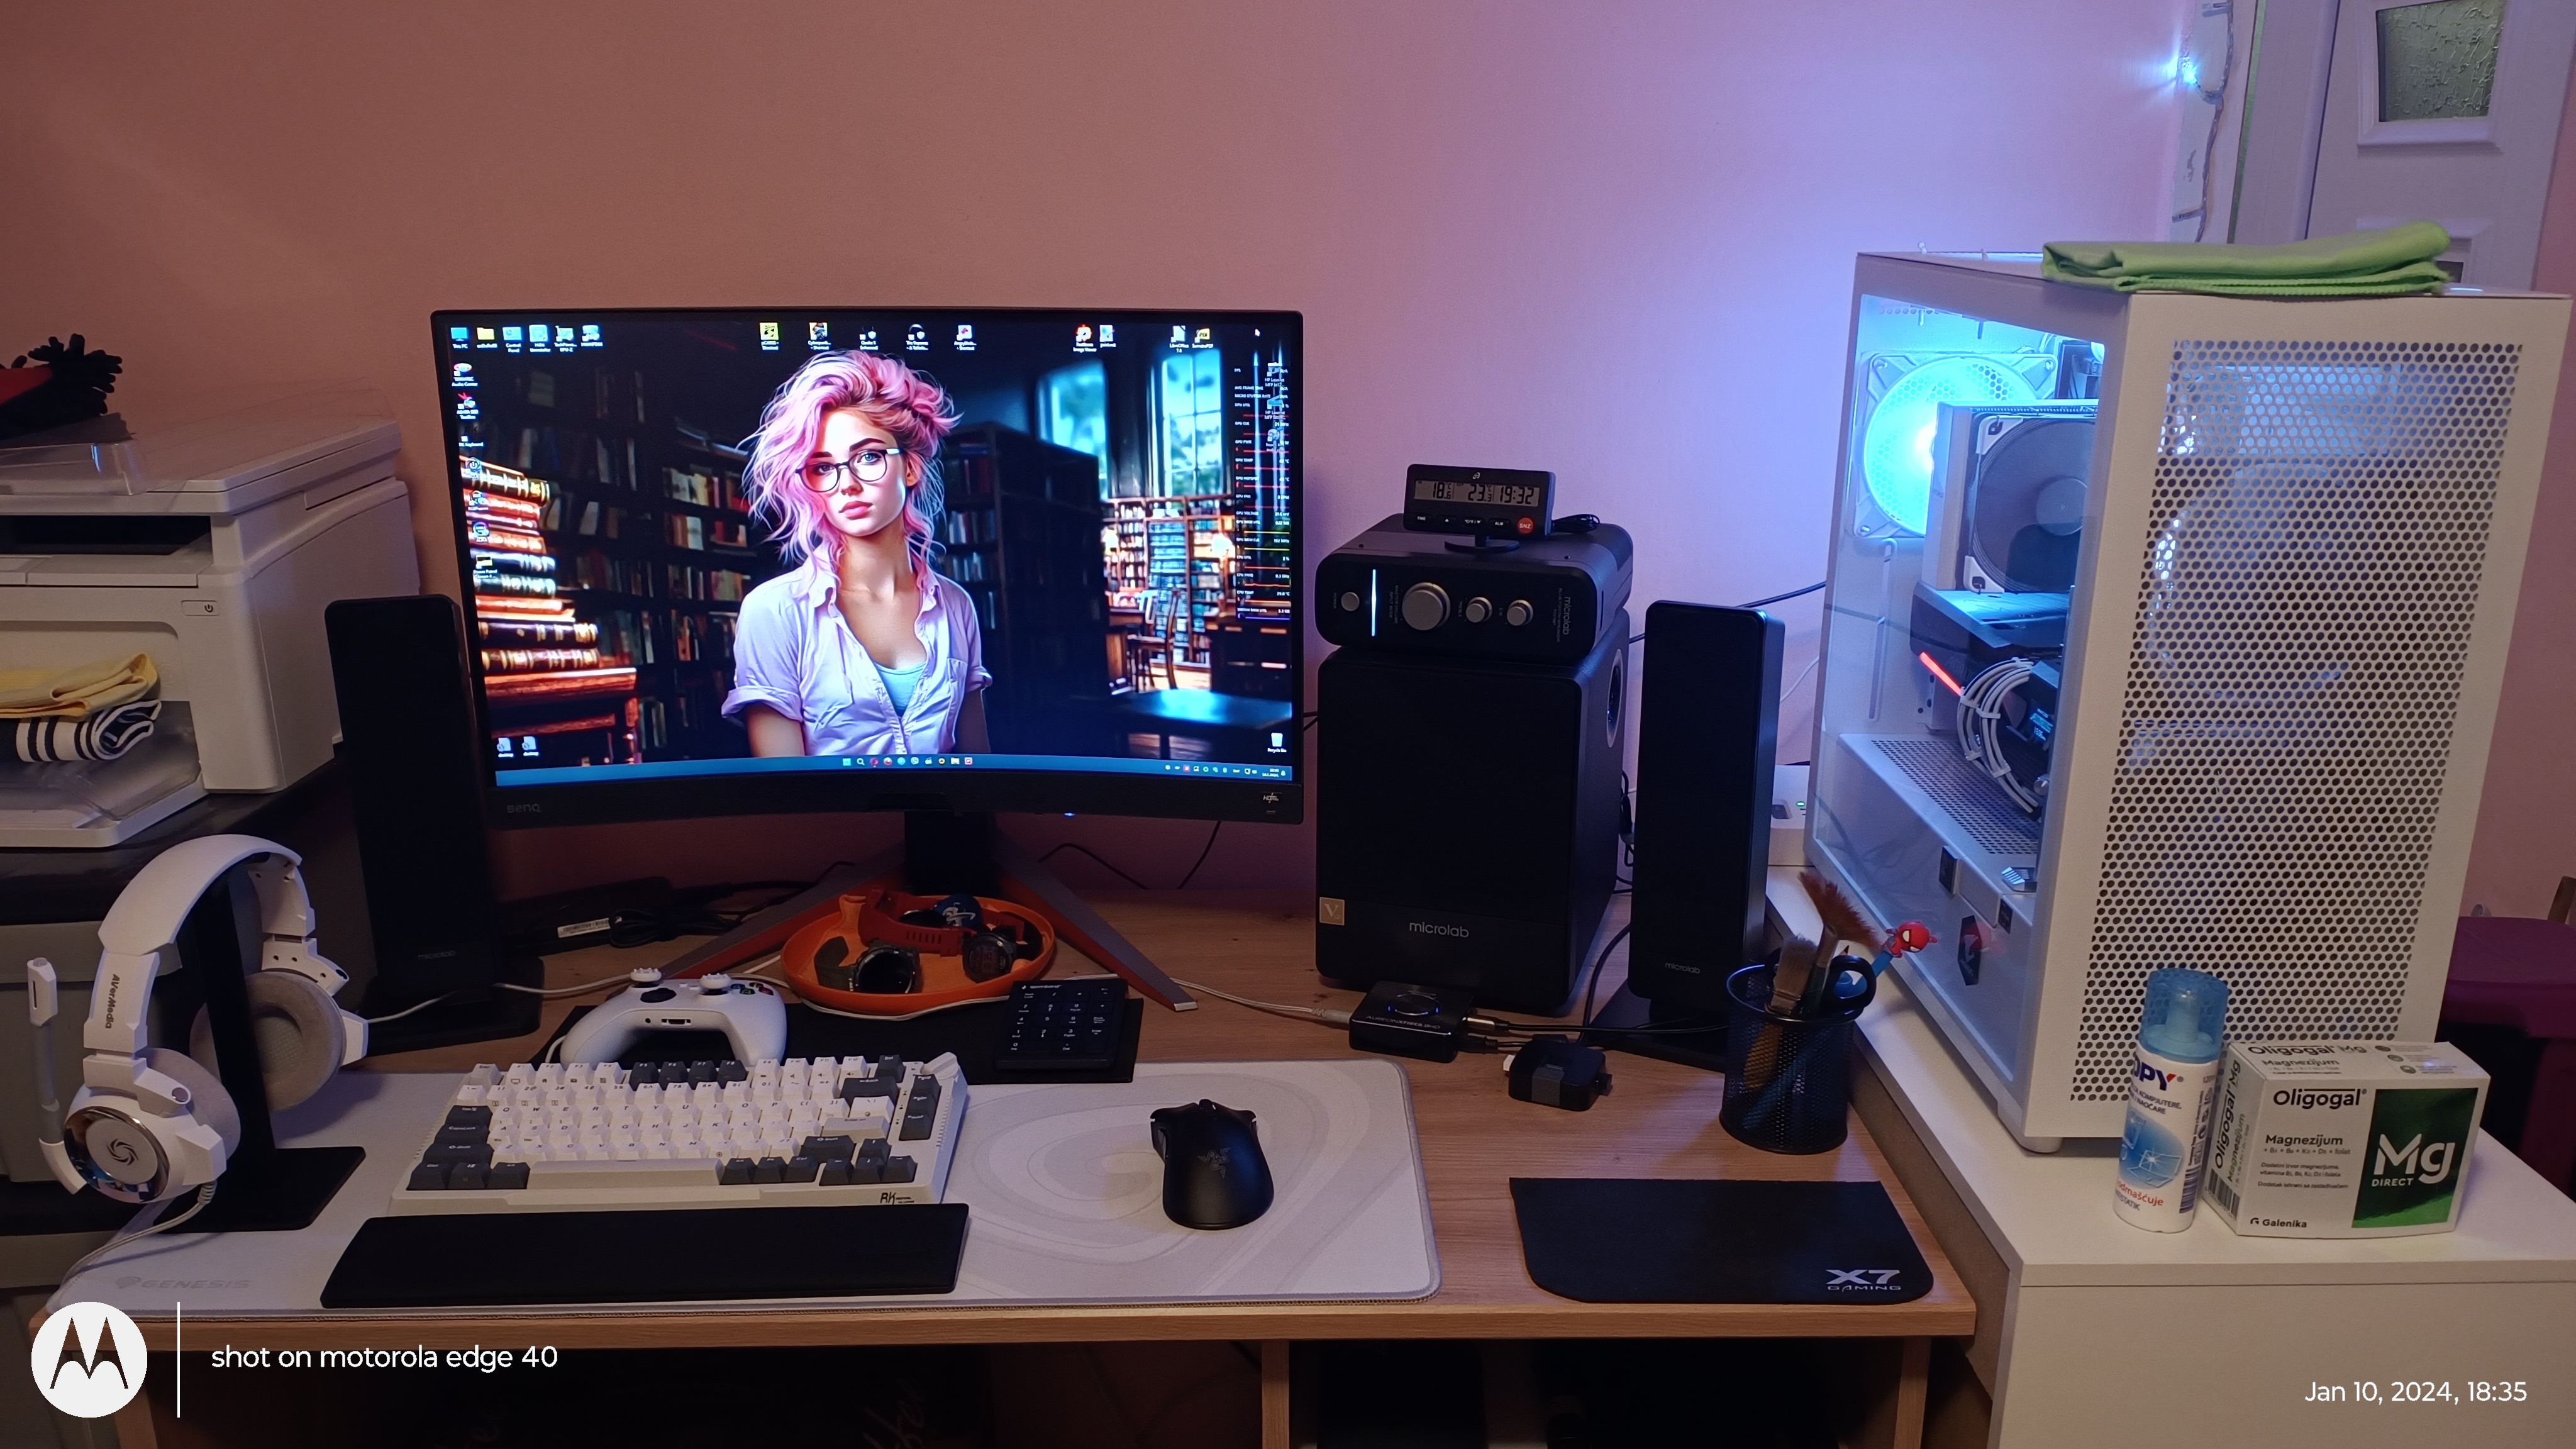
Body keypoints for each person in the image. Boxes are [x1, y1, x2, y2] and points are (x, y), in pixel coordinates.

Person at [723, 351, 990, 758]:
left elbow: (977, 764)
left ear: (911, 467)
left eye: (868, 457)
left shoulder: (957, 606)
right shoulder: (774, 611)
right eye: (823, 468)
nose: (847, 484)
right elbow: (786, 785)